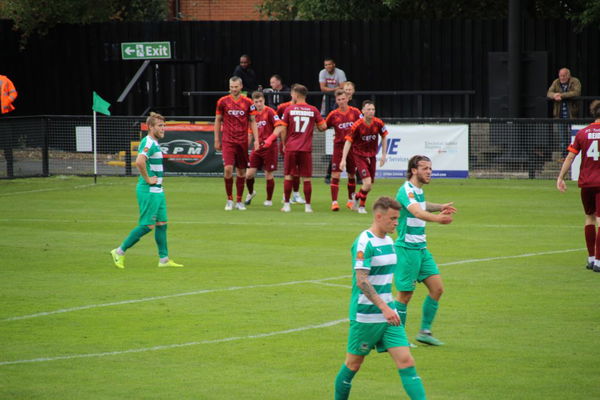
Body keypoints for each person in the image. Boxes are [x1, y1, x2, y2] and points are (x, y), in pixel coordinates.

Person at [334, 196, 427, 400]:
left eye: (398, 219)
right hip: (366, 316)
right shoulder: (364, 242)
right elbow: (362, 281)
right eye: (393, 219)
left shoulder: (389, 240)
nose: (397, 223)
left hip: (389, 316)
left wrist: (389, 307)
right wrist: (384, 308)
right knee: (353, 365)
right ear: (378, 216)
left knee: (407, 362)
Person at [394, 155, 457, 346]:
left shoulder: (417, 191)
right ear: (414, 170)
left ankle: (424, 332)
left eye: (430, 168)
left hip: (421, 249)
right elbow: (417, 212)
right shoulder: (405, 190)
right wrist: (439, 219)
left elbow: (423, 206)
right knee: (405, 296)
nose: (429, 171)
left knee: (437, 289)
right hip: (407, 249)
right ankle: (398, 338)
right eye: (425, 168)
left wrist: (440, 207)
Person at [110, 112, 183, 269]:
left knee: (162, 224)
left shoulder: (154, 142)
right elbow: (139, 161)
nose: (163, 129)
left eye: (164, 125)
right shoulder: (148, 142)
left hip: (158, 190)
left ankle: (163, 260)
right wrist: (148, 179)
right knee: (147, 226)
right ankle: (119, 251)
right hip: (149, 190)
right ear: (150, 127)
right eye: (160, 126)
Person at [267, 84, 327, 213]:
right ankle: (308, 207)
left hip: (291, 148)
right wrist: (314, 126)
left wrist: (272, 139)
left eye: (292, 93)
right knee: (306, 178)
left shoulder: (289, 109)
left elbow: (282, 127)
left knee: (288, 176)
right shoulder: (313, 110)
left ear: (297, 95)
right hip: (306, 148)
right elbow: (323, 127)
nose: (291, 95)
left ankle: (287, 205)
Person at [557, 100, 600, 272]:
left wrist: (561, 177)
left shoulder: (582, 133)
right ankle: (599, 261)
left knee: (589, 217)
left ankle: (591, 258)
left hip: (587, 182)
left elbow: (570, 157)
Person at [214, 76, 259, 211]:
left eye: (236, 87)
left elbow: (253, 121)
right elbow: (217, 120)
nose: (233, 89)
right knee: (228, 169)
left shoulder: (248, 102)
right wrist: (217, 138)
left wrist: (256, 139)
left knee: (241, 171)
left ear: (241, 86)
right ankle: (229, 199)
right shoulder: (222, 102)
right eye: (231, 87)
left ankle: (239, 200)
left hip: (242, 140)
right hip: (228, 140)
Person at [340, 100, 388, 214]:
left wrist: (384, 155)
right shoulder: (357, 125)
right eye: (368, 109)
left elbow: (385, 136)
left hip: (372, 156)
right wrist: (343, 159)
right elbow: (348, 142)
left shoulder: (378, 123)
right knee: (367, 183)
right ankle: (361, 206)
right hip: (359, 155)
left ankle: (356, 197)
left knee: (369, 185)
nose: (371, 112)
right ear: (363, 111)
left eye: (373, 109)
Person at [325, 89, 362, 211]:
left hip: (352, 147)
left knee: (352, 174)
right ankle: (334, 202)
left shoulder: (355, 112)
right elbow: (324, 126)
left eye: (343, 99)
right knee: (335, 173)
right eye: (339, 99)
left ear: (347, 98)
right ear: (336, 100)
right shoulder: (333, 114)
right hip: (339, 147)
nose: (341, 101)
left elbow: (362, 125)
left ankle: (350, 200)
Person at [245, 91, 280, 207]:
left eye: (260, 101)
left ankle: (269, 200)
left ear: (264, 100)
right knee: (248, 174)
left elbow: (279, 127)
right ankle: (251, 193)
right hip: (257, 148)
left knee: (268, 174)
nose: (259, 104)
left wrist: (270, 140)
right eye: (256, 102)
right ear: (253, 102)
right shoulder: (252, 115)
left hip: (270, 147)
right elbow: (250, 132)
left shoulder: (270, 112)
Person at [276, 93, 305, 205]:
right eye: (295, 94)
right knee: (290, 170)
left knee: (297, 170)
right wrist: (283, 142)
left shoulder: (304, 108)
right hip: (287, 143)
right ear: (292, 94)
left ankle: (295, 194)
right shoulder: (283, 107)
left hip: (300, 143)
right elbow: (278, 123)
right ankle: (287, 195)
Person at [547, 68, 582, 151]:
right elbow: (549, 93)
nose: (562, 78)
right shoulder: (556, 82)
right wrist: (555, 95)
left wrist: (562, 95)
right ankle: (564, 155)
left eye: (564, 76)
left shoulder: (575, 81)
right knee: (563, 136)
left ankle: (575, 152)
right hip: (560, 114)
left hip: (572, 114)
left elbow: (576, 92)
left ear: (568, 75)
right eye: (560, 76)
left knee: (574, 135)